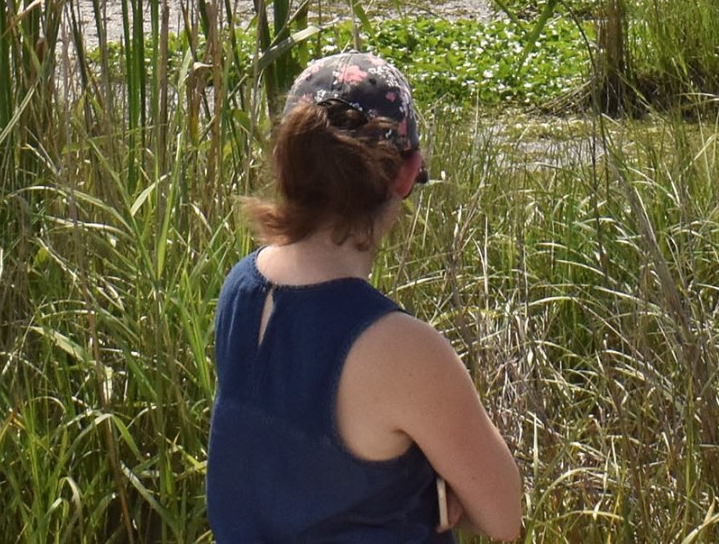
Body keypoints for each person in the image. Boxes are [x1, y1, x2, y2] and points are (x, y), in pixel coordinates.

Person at [208, 51, 522, 542]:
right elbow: (505, 518)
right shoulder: (401, 348)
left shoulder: (241, 290)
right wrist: (439, 489)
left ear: (289, 163)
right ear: (405, 175)